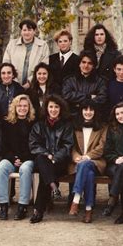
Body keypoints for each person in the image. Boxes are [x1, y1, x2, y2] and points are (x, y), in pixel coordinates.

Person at [29, 94, 74, 223]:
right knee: (42, 160)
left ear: (61, 109)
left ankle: (38, 211)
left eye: (56, 107)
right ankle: (54, 187)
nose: (53, 110)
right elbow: (34, 145)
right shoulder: (39, 125)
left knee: (45, 175)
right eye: (51, 107)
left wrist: (55, 158)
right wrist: (47, 154)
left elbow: (68, 146)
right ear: (46, 108)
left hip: (60, 162)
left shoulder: (66, 125)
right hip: (43, 160)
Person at [0, 94, 36, 220]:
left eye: (25, 106)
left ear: (29, 108)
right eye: (19, 105)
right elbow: (3, 146)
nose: (22, 108)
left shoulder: (34, 123)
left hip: (28, 159)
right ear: (14, 107)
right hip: (10, 158)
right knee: (1, 167)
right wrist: (13, 159)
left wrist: (22, 159)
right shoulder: (6, 123)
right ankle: (3, 206)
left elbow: (36, 146)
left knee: (25, 168)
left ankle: (22, 206)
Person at [68, 99, 107, 223]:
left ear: (95, 112)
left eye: (91, 109)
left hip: (95, 161)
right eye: (85, 109)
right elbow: (72, 146)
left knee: (86, 165)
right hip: (78, 163)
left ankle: (76, 199)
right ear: (81, 111)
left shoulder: (102, 127)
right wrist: (76, 157)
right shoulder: (75, 127)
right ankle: (88, 209)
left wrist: (88, 156)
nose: (88, 112)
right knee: (89, 175)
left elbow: (102, 147)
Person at [3, 19, 50, 89]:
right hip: (13, 84)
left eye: (29, 30)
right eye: (24, 30)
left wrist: (30, 82)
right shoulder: (12, 44)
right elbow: (6, 64)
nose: (27, 32)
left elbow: (44, 66)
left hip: (35, 85)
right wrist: (15, 82)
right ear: (21, 31)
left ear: (34, 31)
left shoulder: (43, 45)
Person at [62, 50, 108, 117]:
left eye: (90, 63)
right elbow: (66, 95)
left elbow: (102, 98)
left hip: (93, 118)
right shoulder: (70, 80)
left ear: (93, 66)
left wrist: (79, 103)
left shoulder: (100, 81)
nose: (86, 66)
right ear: (79, 64)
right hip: (73, 116)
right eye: (83, 62)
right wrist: (88, 96)